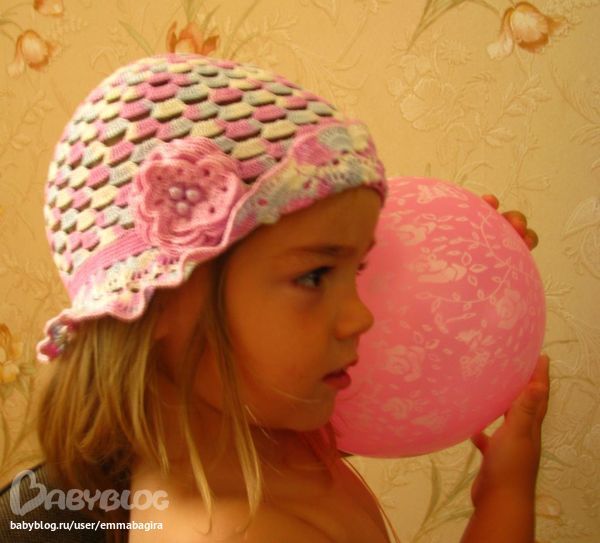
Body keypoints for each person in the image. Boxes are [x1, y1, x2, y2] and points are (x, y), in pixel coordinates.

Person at [32, 53, 549, 543]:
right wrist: (505, 494)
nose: (361, 316)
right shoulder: (236, 533)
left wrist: (464, 269)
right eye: (315, 275)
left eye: (358, 269)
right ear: (159, 301)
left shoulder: (264, 429)